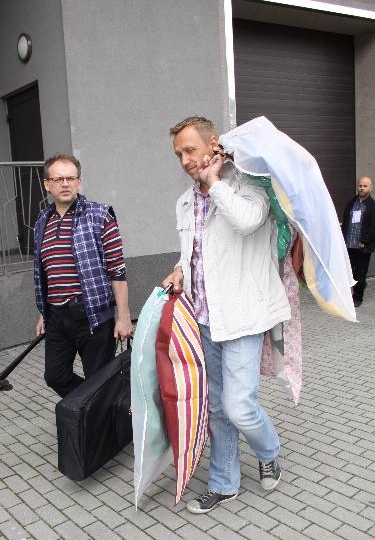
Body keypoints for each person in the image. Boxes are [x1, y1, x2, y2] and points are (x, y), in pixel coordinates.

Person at [163, 116, 291, 514]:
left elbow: (248, 222)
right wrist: (179, 268)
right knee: (217, 407)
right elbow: (194, 252)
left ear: (213, 143)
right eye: (178, 154)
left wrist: (216, 182)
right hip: (205, 319)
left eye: (190, 149)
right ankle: (223, 483)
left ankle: (269, 451)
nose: (185, 160)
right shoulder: (185, 201)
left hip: (243, 316)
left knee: (238, 405)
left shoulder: (250, 184)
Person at [34, 153, 133, 397]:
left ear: (79, 182)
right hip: (56, 317)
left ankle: (96, 414)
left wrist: (123, 317)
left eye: (71, 178)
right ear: (47, 184)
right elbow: (45, 273)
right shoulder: (42, 222)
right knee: (55, 376)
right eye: (58, 179)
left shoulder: (100, 216)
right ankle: (89, 408)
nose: (65, 184)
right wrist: (43, 313)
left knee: (98, 381)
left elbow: (117, 270)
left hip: (93, 317)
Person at [341, 176, 375, 307]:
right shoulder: (351, 203)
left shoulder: (372, 206)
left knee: (360, 273)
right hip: (349, 244)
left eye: (365, 186)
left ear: (370, 188)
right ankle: (352, 291)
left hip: (362, 246)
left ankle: (358, 298)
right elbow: (345, 223)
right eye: (360, 186)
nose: (362, 188)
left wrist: (364, 240)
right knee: (350, 272)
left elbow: (373, 227)